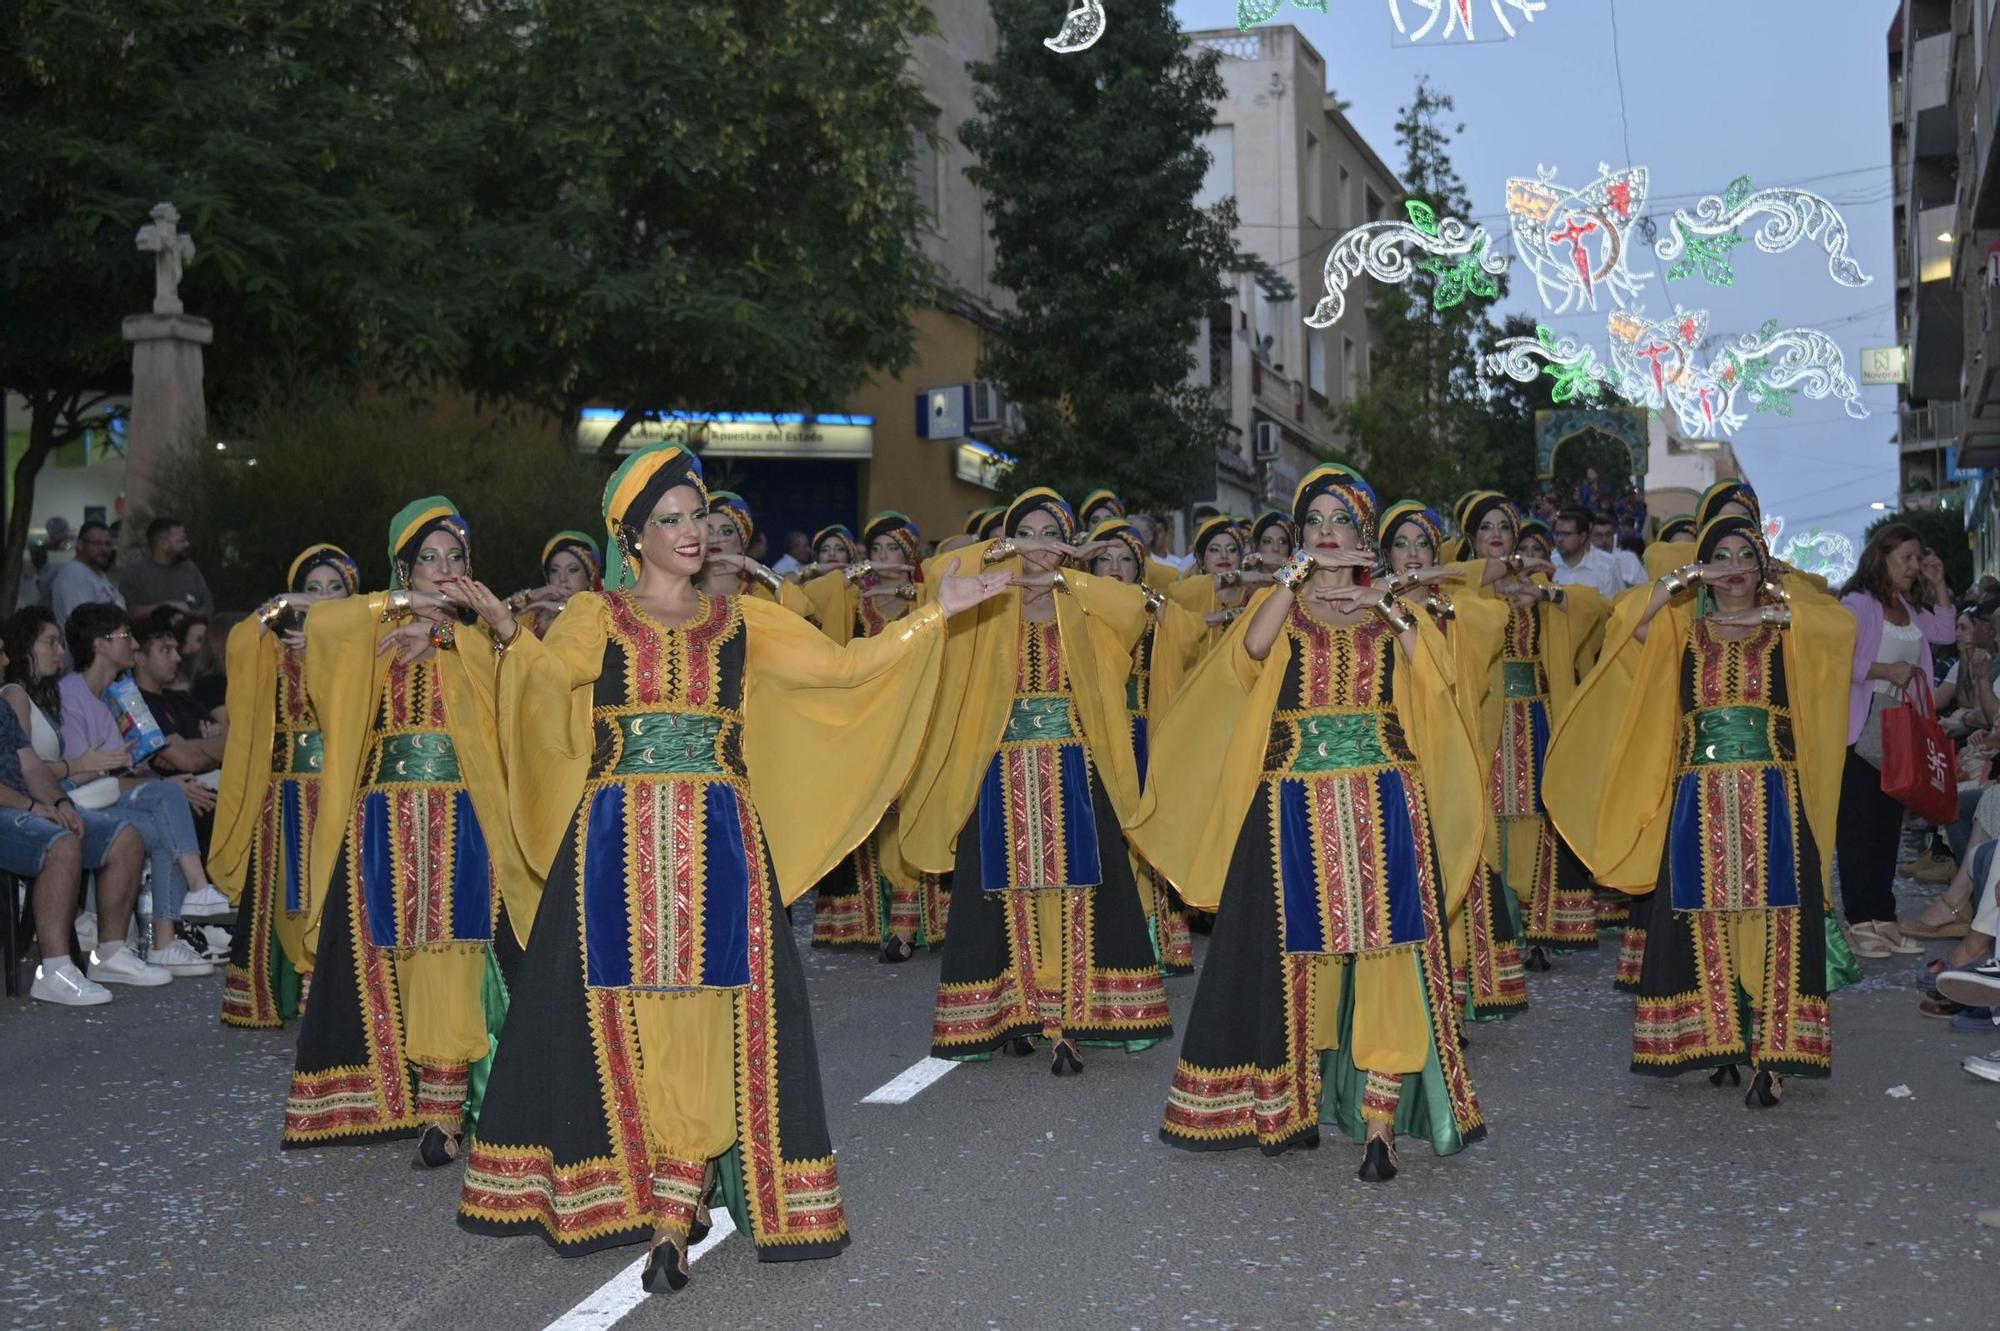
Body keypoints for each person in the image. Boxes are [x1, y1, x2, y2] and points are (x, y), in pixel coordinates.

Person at [454, 444, 1009, 1288]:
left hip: (719, 841)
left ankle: (675, 1208)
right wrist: (503, 631)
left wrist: (936, 612)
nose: (691, 531)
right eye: (669, 519)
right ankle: (656, 1180)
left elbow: (846, 668)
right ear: (632, 535)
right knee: (629, 1013)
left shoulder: (743, 620)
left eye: (698, 515)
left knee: (713, 1011)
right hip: (616, 842)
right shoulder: (595, 617)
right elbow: (543, 686)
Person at [1133, 465, 1484, 1180]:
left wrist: (1387, 599)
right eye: (1315, 520)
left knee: (1389, 956)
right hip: (1292, 800)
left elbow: (1434, 676)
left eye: (1341, 520)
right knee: (1301, 959)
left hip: (1386, 797)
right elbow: (1251, 651)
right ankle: (1293, 1103)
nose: (1328, 532)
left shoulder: (1390, 608)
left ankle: (1380, 1122)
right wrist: (1296, 574)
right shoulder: (1283, 604)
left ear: (1363, 534)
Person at [1549, 515, 1856, 1105]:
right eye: (1723, 555)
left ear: (1763, 566)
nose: (1734, 566)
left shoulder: (1788, 629)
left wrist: (1770, 609)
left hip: (1774, 794)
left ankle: (1775, 1052)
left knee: (1775, 917)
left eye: (1746, 555)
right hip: (1700, 795)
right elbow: (1623, 618)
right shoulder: (1682, 633)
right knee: (1704, 915)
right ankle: (1718, 1042)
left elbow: (1839, 628)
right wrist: (1691, 574)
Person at [282, 498, 539, 1167]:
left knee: (450, 952)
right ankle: (408, 1096)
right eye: (428, 558)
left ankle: (445, 1115)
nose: (444, 570)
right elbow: (326, 625)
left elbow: (516, 690)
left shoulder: (479, 636)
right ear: (404, 565)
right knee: (398, 955)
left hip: (462, 815)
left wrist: (447, 640)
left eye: (455, 558)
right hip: (384, 817)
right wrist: (403, 608)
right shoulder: (372, 627)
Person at [898, 487, 1174, 1074]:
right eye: (1029, 531)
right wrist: (1016, 551)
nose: (1041, 543)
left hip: (1074, 764)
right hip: (999, 767)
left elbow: (1133, 608)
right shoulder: (985, 606)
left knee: (1076, 891)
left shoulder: (1086, 604)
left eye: (1054, 532)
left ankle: (1069, 1020)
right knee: (1008, 893)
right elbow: (933, 575)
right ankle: (1019, 1013)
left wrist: (1064, 574)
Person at [1378, 501, 1523, 1024]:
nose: (1414, 554)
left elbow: (1489, 623)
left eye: (1422, 544)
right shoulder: (1367, 607)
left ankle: (1448, 1004)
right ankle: (1401, 1001)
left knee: (1447, 863)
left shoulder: (1467, 611)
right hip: (1388, 760)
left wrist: (1443, 589)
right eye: (1401, 544)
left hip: (1445, 760)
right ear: (1385, 554)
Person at [209, 544, 359, 1028]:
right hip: (284, 789)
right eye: (311, 589)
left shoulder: (361, 644)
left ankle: (327, 988)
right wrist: (278, 605)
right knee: (284, 890)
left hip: (340, 786)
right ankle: (276, 989)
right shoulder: (273, 648)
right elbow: (236, 642)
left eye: (334, 589)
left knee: (329, 886)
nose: (320, 598)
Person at [1460, 494, 1608, 971]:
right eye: (1486, 527)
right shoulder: (1464, 587)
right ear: (1472, 539)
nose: (1497, 533)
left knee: (1536, 819)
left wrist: (1542, 594)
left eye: (1505, 524)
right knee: (1492, 818)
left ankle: (1537, 928)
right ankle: (1500, 927)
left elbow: (1593, 608)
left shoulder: (1539, 583)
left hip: (1534, 717)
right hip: (1486, 717)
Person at [803, 510, 951, 960]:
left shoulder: (925, 599)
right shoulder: (854, 601)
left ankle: (905, 926)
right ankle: (876, 922)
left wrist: (909, 586)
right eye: (879, 550)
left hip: (921, 715)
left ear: (911, 553)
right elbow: (809, 597)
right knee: (877, 815)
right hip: (872, 717)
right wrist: (858, 573)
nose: (886, 558)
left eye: (896, 550)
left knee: (912, 813)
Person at [51, 602, 224, 973]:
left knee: (168, 813)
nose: (132, 645)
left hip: (110, 795)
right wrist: (161, 782)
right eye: (125, 636)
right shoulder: (71, 696)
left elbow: (126, 768)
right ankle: (192, 897)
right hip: (79, 802)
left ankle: (166, 939)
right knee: (168, 799)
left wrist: (160, 780)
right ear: (100, 645)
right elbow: (87, 778)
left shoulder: (115, 696)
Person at [0, 628, 150, 1005]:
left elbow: (32, 768)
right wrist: (35, 808)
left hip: (22, 808)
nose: (5, 661)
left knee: (123, 837)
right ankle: (54, 971)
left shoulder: (1, 709)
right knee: (61, 845)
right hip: (9, 811)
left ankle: (111, 954)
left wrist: (61, 804)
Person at [1086, 516, 1207, 974]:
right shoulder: (1077, 610)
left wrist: (1163, 615)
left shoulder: (1155, 611)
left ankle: (1151, 939)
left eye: (1125, 560)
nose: (1115, 567)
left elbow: (1193, 634)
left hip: (1140, 738)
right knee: (1103, 841)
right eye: (1104, 560)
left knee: (1140, 834)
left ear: (1140, 569)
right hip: (1093, 739)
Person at [1837, 522, 1956, 959]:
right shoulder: (1858, 604)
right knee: (1857, 828)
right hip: (1860, 729)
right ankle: (1858, 920)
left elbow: (1944, 631)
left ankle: (1882, 917)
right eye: (1905, 557)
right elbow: (1836, 659)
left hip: (1898, 733)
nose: (1913, 565)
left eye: (1916, 557)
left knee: (1886, 825)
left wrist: (1939, 583)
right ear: (1881, 558)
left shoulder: (1909, 605)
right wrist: (1886, 671)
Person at [509, 532, 604, 639]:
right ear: (547, 578)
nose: (562, 579)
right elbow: (489, 624)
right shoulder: (530, 616)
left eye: (572, 570)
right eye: (554, 571)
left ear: (589, 579)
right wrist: (529, 596)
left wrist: (563, 609)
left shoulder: (605, 616)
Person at [119, 516, 215, 620]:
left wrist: (190, 615)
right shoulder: (135, 572)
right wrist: (166, 607)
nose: (187, 544)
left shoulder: (190, 569)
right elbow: (129, 611)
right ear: (163, 544)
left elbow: (208, 606)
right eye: (181, 541)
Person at [48, 520, 123, 629]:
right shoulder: (74, 577)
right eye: (97, 543)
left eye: (108, 544)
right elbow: (85, 627)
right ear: (80, 545)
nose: (104, 549)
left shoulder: (95, 573)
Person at [1550, 507, 1625, 602]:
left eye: (1566, 534)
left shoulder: (1605, 569)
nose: (1559, 539)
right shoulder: (1548, 566)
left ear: (1582, 537)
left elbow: (1614, 607)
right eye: (1557, 534)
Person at [1591, 512, 1646, 590]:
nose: (1604, 540)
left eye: (1608, 535)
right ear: (1590, 537)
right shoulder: (1584, 563)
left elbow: (1646, 590)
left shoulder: (1629, 559)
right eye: (1599, 535)